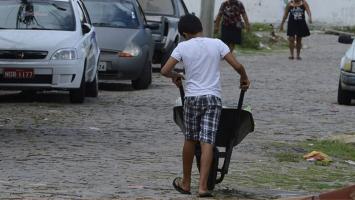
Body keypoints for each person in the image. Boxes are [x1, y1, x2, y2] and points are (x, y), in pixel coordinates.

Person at [160, 14, 250, 197]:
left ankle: (185, 183)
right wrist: (244, 78)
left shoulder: (183, 46)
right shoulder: (217, 44)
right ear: (201, 28)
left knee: (190, 139)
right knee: (207, 141)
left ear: (184, 33)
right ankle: (202, 187)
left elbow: (164, 70)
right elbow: (238, 66)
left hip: (192, 98)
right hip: (212, 99)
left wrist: (176, 76)